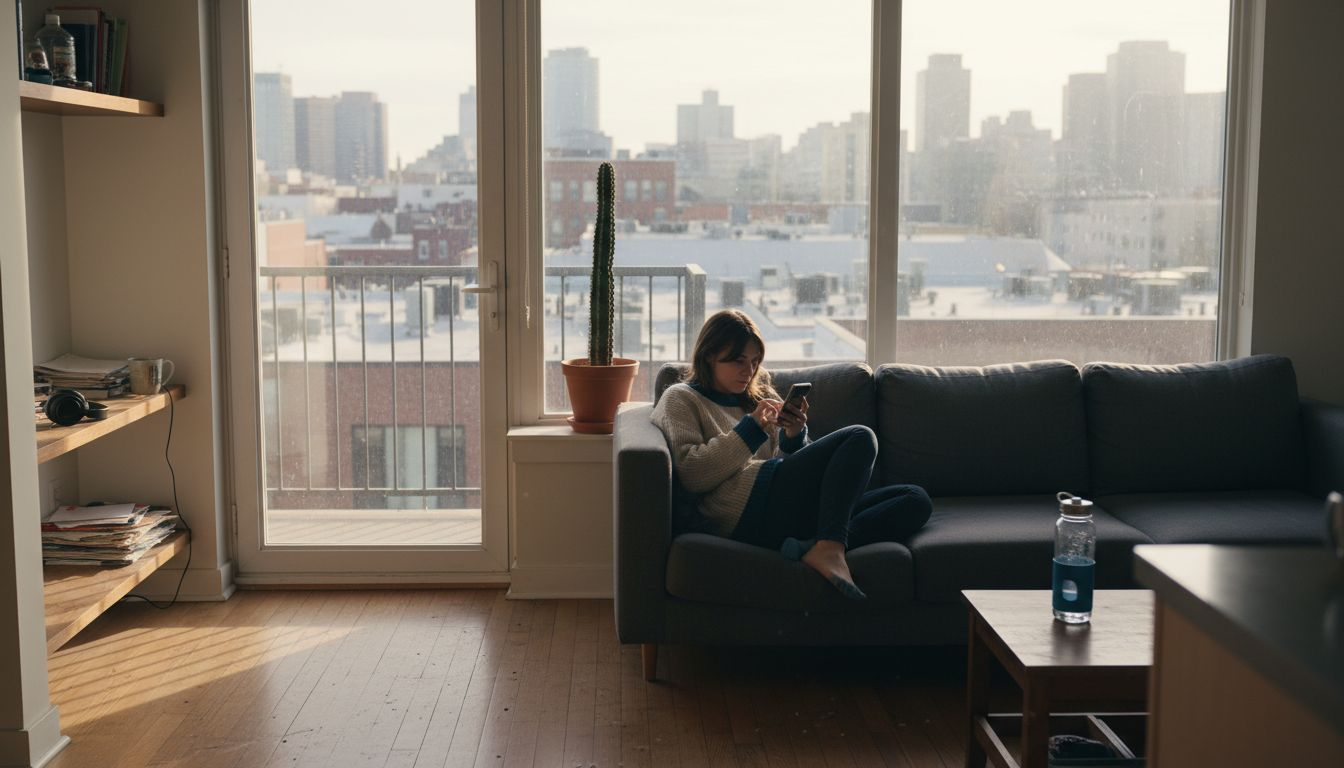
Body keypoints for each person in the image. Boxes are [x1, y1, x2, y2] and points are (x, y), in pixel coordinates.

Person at [651, 309, 933, 600]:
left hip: (783, 506)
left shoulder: (756, 400)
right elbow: (691, 473)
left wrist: (793, 436)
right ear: (709, 355)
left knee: (915, 500)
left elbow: (784, 465)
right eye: (738, 361)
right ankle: (831, 546)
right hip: (745, 513)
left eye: (754, 362)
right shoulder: (681, 398)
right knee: (861, 437)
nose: (748, 371)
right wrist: (751, 429)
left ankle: (815, 544)